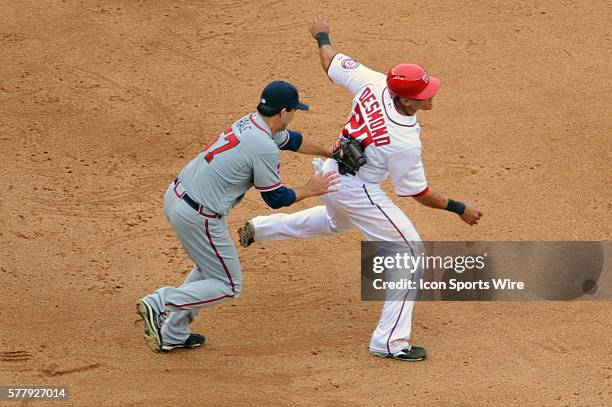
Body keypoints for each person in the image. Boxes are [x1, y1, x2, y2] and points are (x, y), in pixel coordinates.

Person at [238, 16, 483, 361]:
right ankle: (389, 342)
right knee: (411, 256)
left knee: (337, 221)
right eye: (424, 95)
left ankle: (261, 229)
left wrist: (321, 35)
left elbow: (331, 62)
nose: (431, 98)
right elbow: (417, 193)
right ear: (408, 101)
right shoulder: (403, 140)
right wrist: (459, 208)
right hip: (357, 189)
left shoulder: (376, 84)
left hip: (330, 173)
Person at [136, 80, 338, 353]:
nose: (294, 115)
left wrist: (330, 153)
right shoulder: (263, 146)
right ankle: (160, 303)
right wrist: (310, 189)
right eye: (294, 110)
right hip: (199, 216)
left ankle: (173, 333)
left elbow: (292, 140)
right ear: (283, 112)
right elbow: (275, 198)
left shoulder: (252, 123)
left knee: (210, 268)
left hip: (177, 196)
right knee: (228, 285)